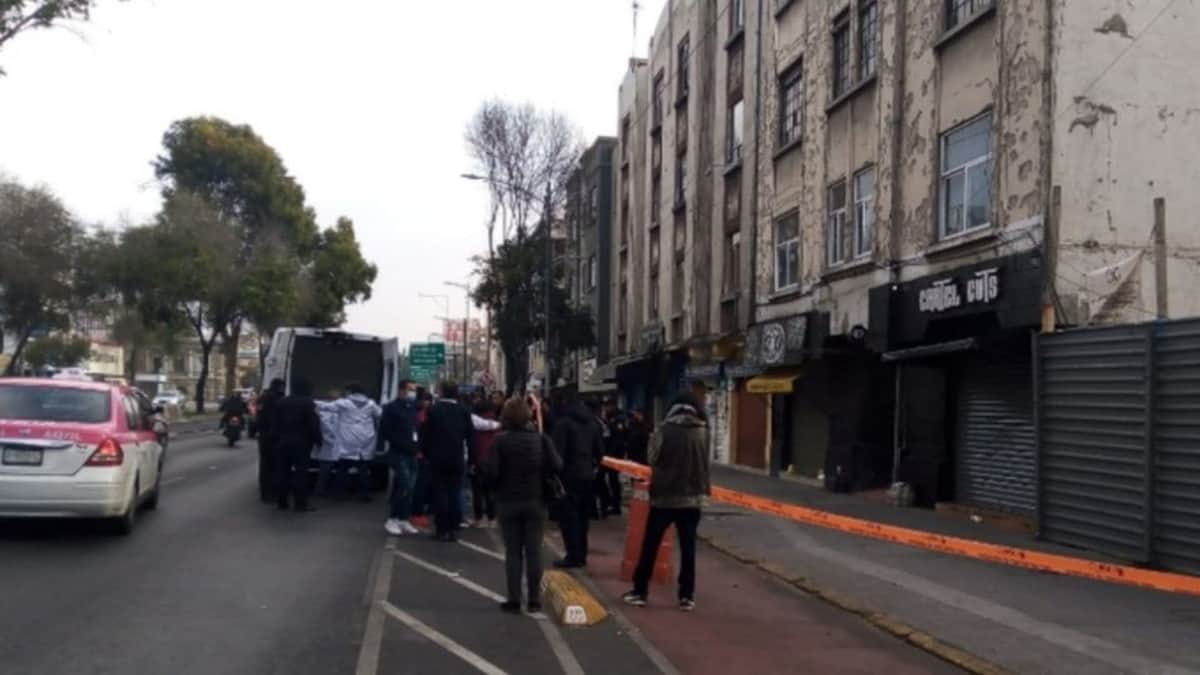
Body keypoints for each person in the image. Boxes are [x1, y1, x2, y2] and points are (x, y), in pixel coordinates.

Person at [622, 393, 711, 612]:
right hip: (693, 499)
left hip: (665, 498)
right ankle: (687, 596)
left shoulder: (663, 430)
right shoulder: (703, 431)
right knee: (688, 548)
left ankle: (640, 591)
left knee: (650, 545)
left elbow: (652, 458)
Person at [483, 397, 563, 614]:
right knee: (534, 551)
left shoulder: (500, 441)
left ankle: (514, 599)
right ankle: (535, 599)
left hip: (508, 501)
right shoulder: (541, 439)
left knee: (513, 552)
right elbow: (557, 465)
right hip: (536, 500)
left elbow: (491, 471)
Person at [551, 394, 605, 569]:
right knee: (583, 517)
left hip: (569, 477)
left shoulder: (563, 424)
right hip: (587, 476)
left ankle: (572, 554)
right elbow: (600, 453)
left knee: (569, 517)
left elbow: (557, 455)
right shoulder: (594, 424)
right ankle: (581, 554)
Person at [420, 382, 475, 541]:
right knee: (454, 493)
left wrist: (425, 453)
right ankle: (453, 528)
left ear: (442, 392)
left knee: (440, 493)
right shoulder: (463, 411)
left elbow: (426, 434)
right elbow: (471, 437)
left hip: (437, 458)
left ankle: (441, 528)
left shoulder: (434, 410)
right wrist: (471, 459)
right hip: (457, 457)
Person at [319, 383, 382, 502]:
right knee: (363, 469)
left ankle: (339, 493)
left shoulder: (344, 403)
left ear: (351, 392)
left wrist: (311, 402)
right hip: (365, 439)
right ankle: (364, 494)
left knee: (343, 468)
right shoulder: (371, 404)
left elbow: (326, 406)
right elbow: (380, 414)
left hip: (348, 440)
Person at [271, 378, 323, 512]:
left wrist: (275, 440)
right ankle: (300, 503)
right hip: (302, 443)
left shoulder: (281, 402)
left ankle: (282, 501)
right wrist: (318, 441)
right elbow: (314, 424)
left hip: (282, 442)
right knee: (300, 474)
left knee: (282, 472)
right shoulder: (308, 403)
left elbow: (275, 424)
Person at [378, 379, 421, 535]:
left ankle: (403, 519)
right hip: (399, 453)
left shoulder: (412, 408)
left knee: (410, 488)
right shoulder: (391, 408)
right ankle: (392, 519)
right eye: (410, 389)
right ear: (401, 390)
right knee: (405, 486)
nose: (413, 393)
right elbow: (386, 431)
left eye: (414, 390)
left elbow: (415, 430)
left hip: (412, 453)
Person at [469, 400, 500, 528]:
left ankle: (479, 518)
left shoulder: (474, 423)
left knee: (477, 491)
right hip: (492, 461)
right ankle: (492, 518)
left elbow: (472, 444)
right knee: (491, 491)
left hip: (478, 460)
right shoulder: (497, 425)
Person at [255, 378, 285, 503]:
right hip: (272, 436)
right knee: (272, 465)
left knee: (265, 465)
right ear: (278, 387)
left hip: (263, 435)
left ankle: (265, 492)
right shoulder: (274, 399)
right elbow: (274, 418)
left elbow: (259, 415)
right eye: (282, 387)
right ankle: (270, 492)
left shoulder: (263, 397)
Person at [314, 389, 343, 497]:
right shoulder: (325, 409)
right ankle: (321, 489)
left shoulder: (338, 409)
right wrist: (332, 439)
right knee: (326, 468)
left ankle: (331, 489)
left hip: (335, 443)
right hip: (329, 443)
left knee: (332, 468)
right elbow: (325, 426)